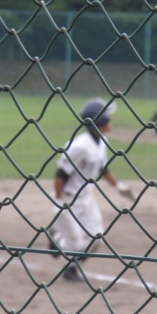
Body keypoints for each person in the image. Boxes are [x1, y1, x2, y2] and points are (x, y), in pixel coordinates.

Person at [48, 98, 136, 281]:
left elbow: (102, 168)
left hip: (87, 198)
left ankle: (68, 263)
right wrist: (58, 200)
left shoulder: (102, 141)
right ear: (100, 121)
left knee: (96, 239)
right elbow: (60, 174)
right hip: (68, 200)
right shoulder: (79, 146)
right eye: (107, 117)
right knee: (75, 245)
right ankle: (57, 241)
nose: (111, 120)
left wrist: (118, 186)